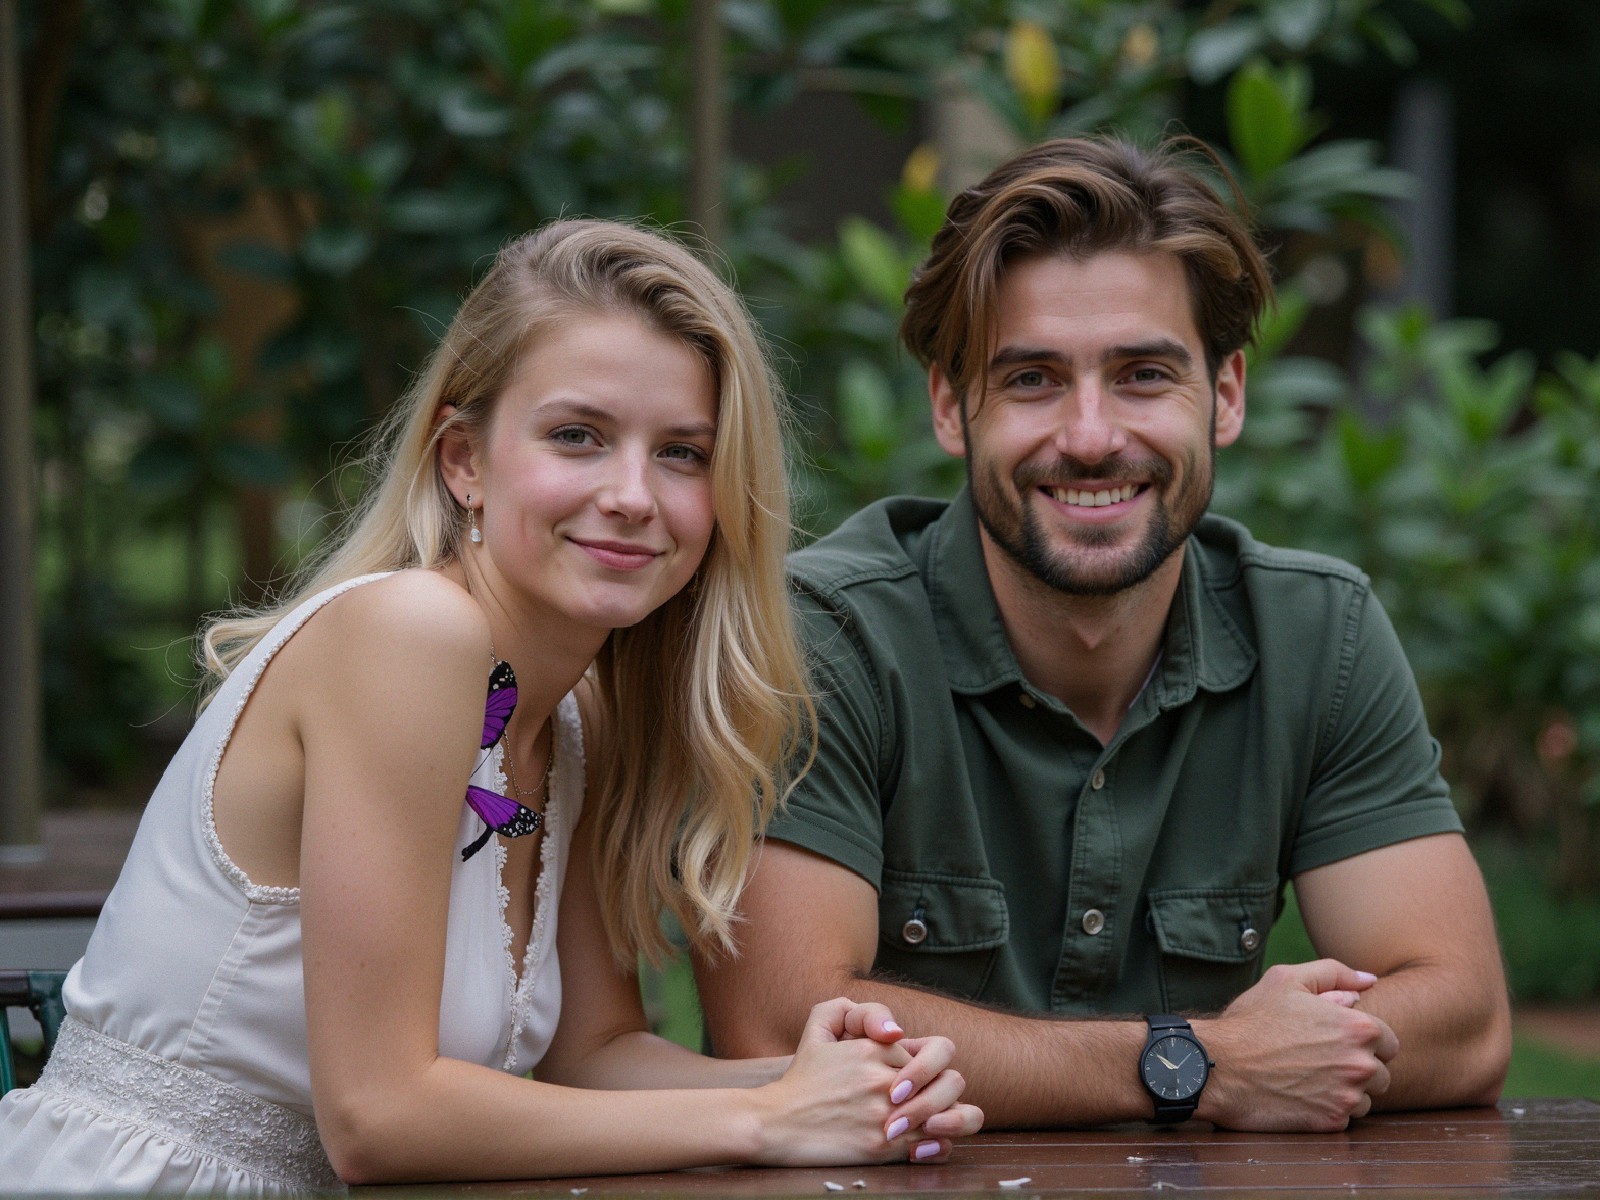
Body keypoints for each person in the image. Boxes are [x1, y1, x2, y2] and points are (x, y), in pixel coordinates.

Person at [0, 220, 981, 1193]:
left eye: (683, 453)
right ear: (463, 460)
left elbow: (589, 1056)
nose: (634, 495)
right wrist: (770, 1119)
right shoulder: (409, 634)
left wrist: (842, 1085)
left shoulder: (572, 718)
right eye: (577, 437)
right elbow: (378, 1119)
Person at [694, 137, 1512, 1133]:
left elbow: (1464, 1020)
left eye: (1141, 375)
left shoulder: (1316, 632)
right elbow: (775, 1028)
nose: (1088, 435)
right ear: (953, 406)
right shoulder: (824, 639)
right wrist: (1195, 1063)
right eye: (1033, 378)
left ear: (1226, 395)